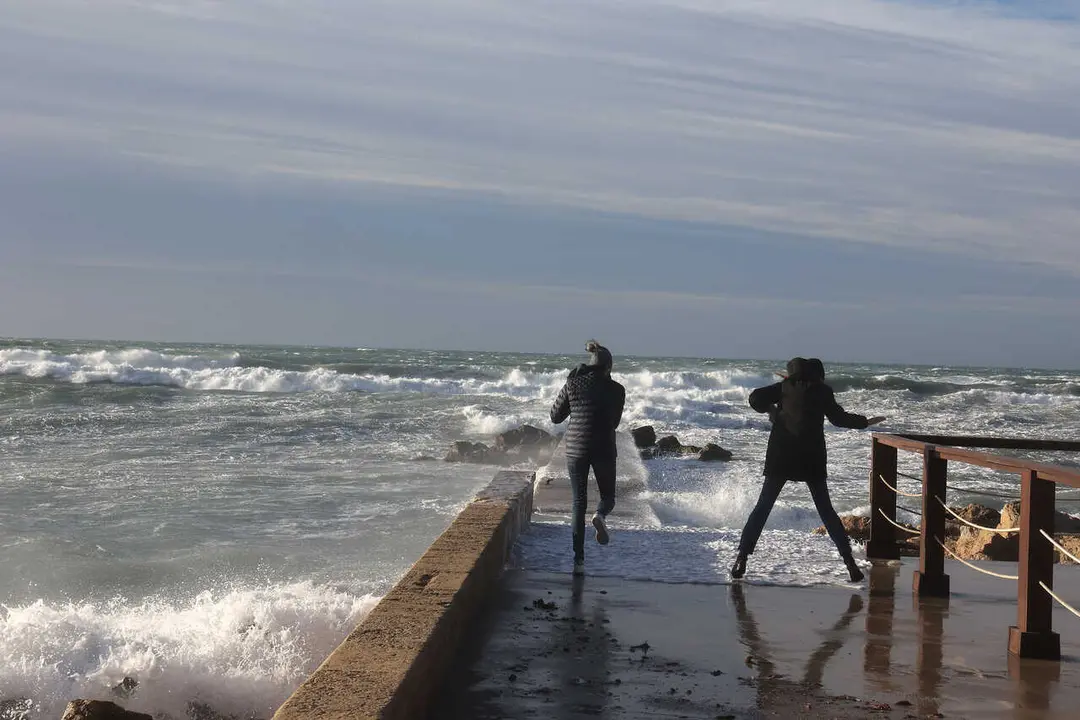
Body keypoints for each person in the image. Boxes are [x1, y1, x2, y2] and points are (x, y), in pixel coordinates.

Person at [731, 357, 885, 583]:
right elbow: (839, 419)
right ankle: (850, 564)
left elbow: (754, 398)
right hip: (810, 457)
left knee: (763, 507)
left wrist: (772, 411)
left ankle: (741, 559)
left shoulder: (783, 387)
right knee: (826, 511)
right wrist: (865, 422)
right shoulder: (823, 391)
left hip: (781, 455)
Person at [550, 340, 626, 576]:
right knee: (608, 497)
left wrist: (569, 382)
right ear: (608, 368)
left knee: (578, 503)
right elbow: (614, 423)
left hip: (576, 448)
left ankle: (578, 559)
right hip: (603, 447)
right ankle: (600, 515)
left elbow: (555, 417)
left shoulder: (573, 383)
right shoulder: (617, 390)